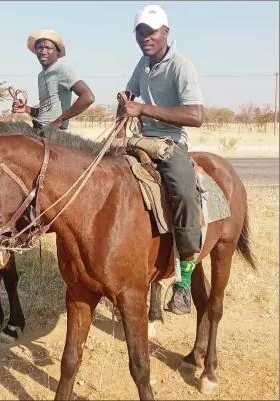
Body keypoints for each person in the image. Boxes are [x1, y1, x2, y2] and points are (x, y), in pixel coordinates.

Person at [118, 5, 205, 314]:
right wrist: (125, 102)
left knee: (182, 192)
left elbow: (196, 115)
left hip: (171, 144)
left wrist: (144, 110)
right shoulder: (142, 63)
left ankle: (183, 283)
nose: (146, 37)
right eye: (140, 32)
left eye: (152, 31)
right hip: (141, 139)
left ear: (166, 32)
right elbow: (129, 94)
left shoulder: (181, 66)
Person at [11, 29, 95, 135]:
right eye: (40, 48)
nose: (43, 51)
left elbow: (88, 97)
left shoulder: (62, 70)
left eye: (48, 48)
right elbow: (47, 111)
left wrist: (59, 121)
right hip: (39, 130)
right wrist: (26, 109)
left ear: (57, 52)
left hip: (56, 134)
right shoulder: (41, 75)